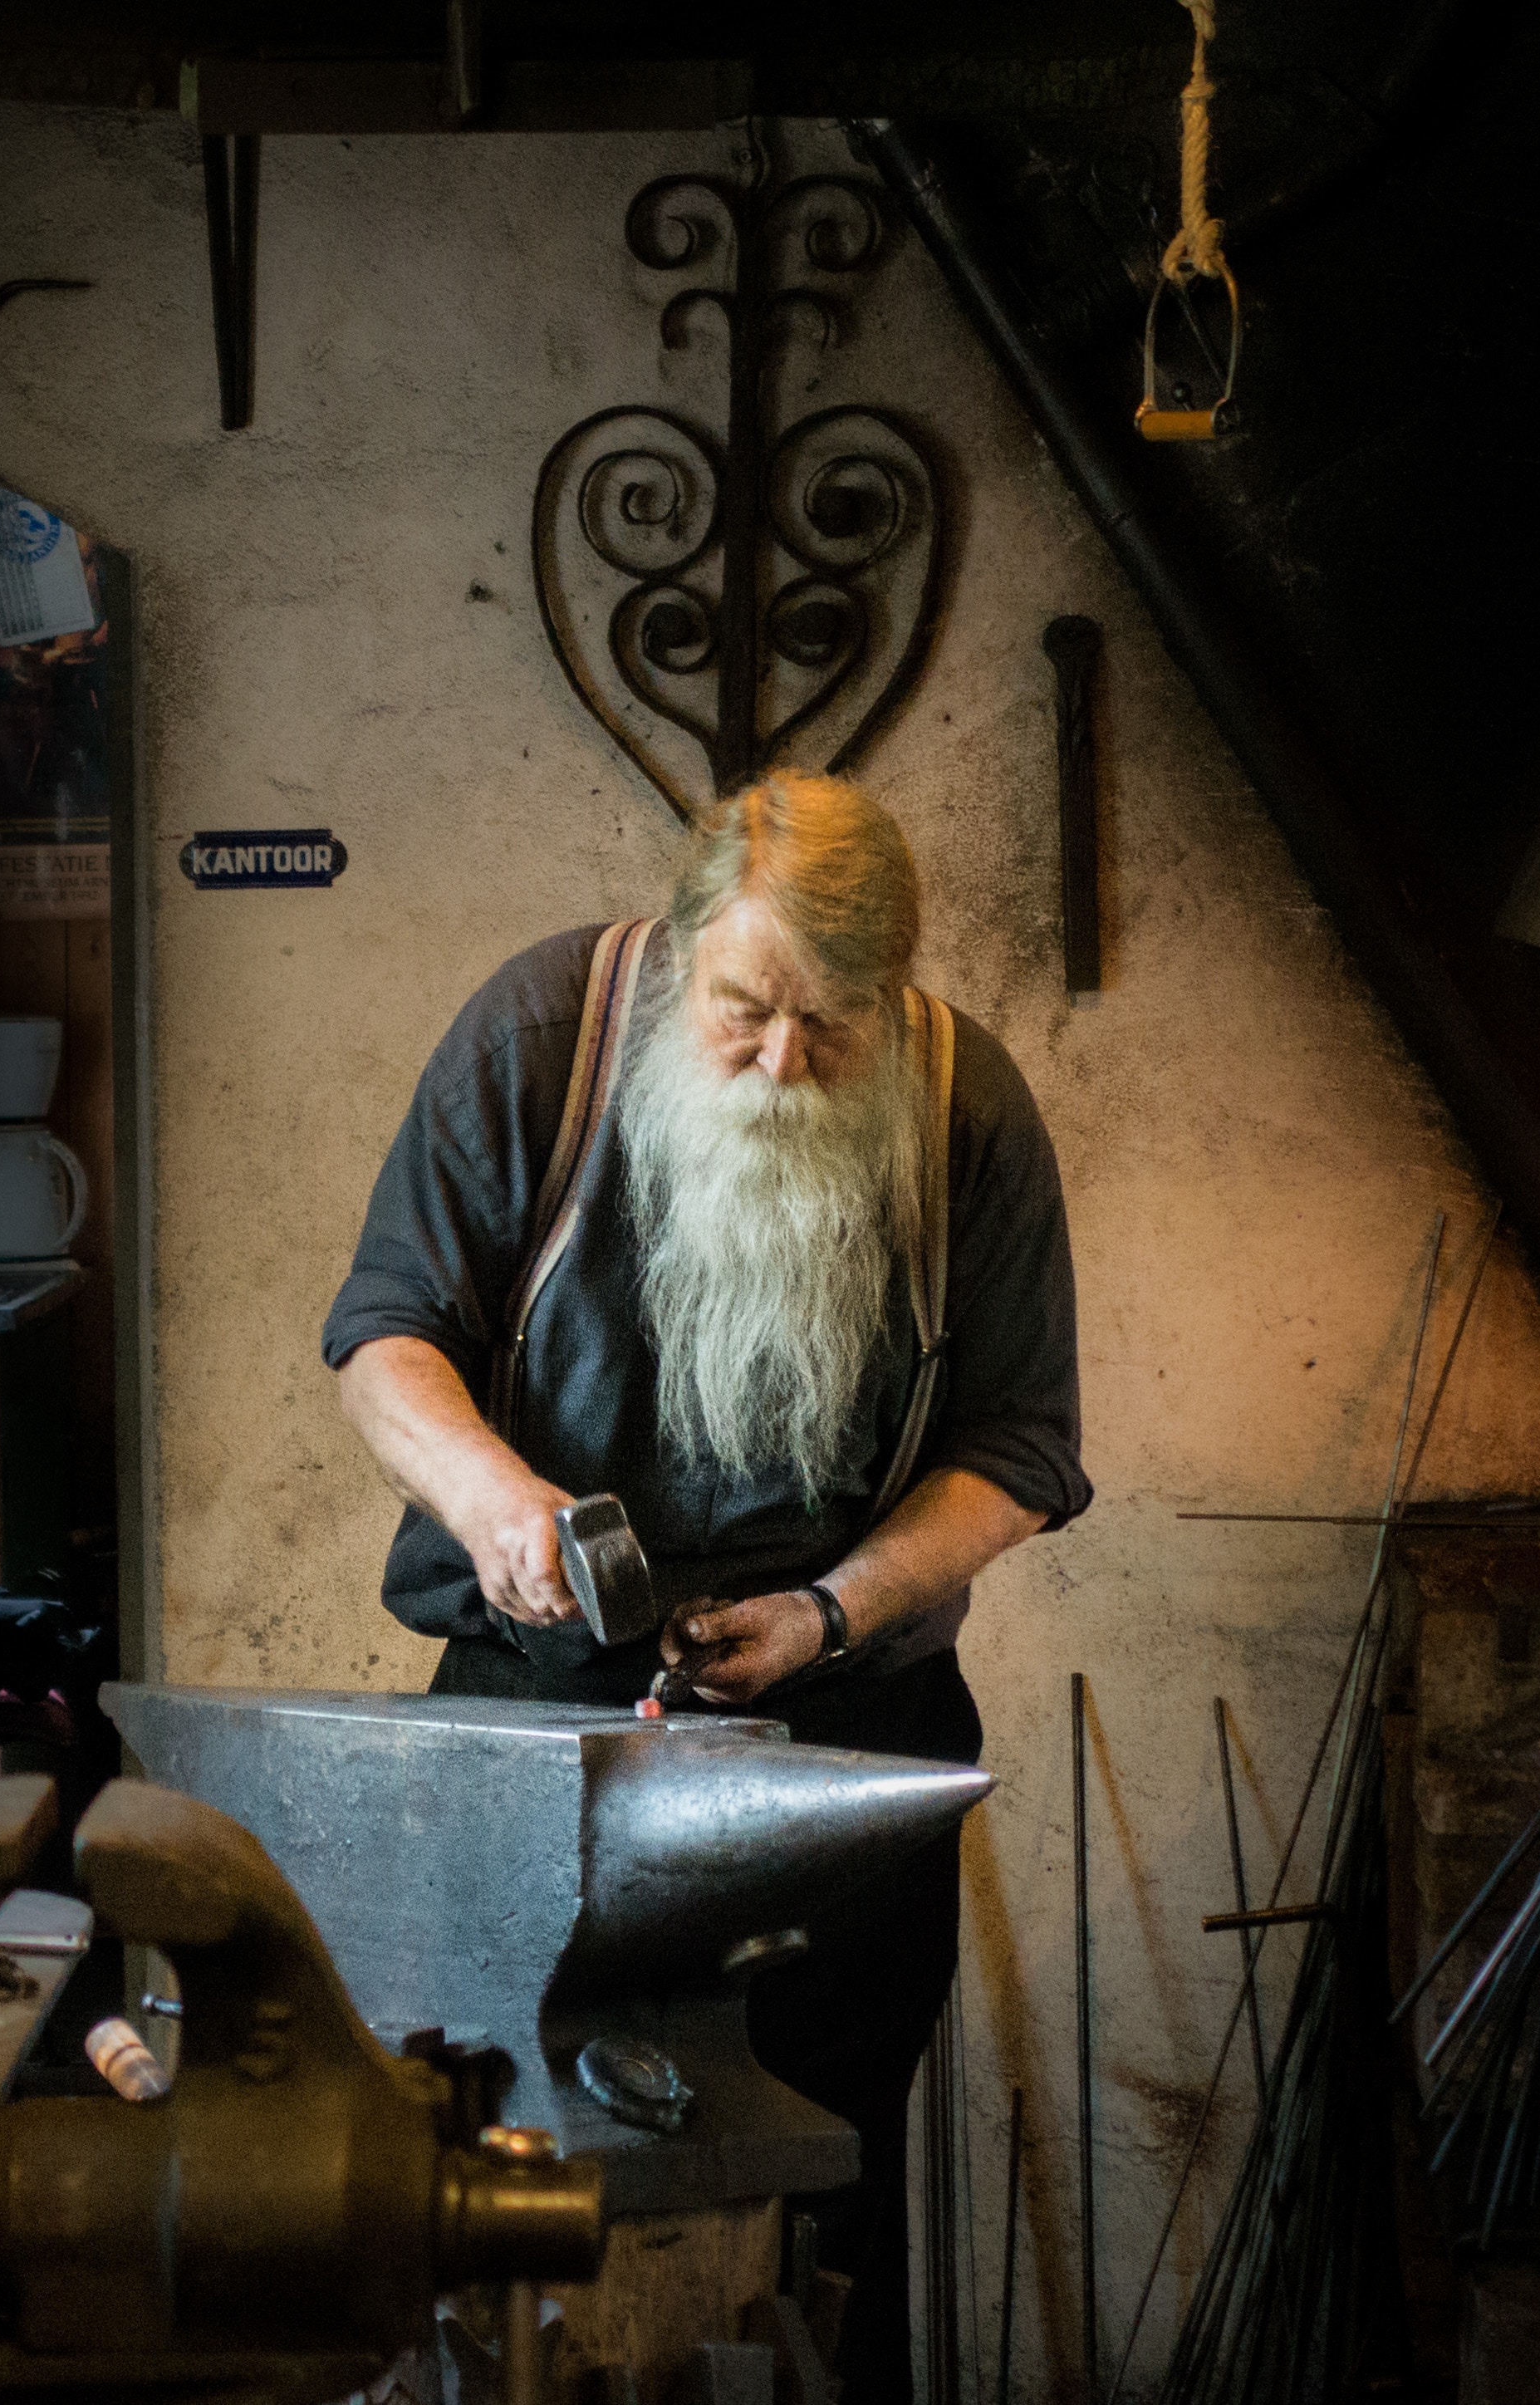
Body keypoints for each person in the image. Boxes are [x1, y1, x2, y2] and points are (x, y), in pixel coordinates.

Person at [323, 772, 1086, 2403]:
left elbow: (1021, 1448)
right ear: (678, 964)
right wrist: (492, 1496)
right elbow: (385, 1339)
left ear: (895, 994)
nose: (781, 1063)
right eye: (743, 1010)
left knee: (817, 2201)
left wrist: (830, 1609)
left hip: (837, 1737)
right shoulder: (540, 1033)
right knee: (499, 2187)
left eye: (832, 1024)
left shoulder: (968, 1109)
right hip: (534, 1733)